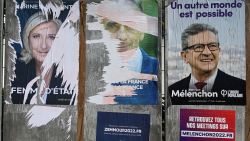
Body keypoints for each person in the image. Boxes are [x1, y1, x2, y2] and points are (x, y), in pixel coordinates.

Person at [168, 23, 246, 105]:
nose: (207, 52)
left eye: (212, 46)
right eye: (198, 47)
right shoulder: (172, 91)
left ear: (219, 51)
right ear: (185, 56)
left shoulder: (242, 88)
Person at [11, 12, 74, 105]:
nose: (44, 46)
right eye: (36, 36)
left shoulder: (72, 74)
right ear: (27, 39)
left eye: (51, 37)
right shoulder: (14, 71)